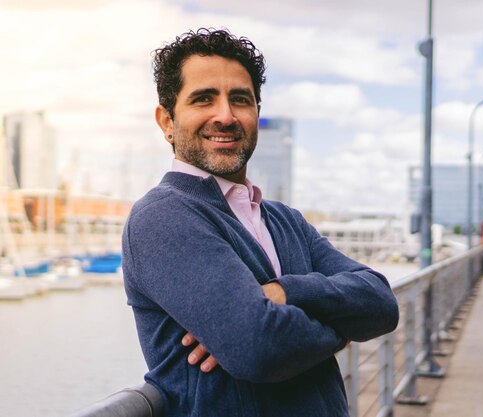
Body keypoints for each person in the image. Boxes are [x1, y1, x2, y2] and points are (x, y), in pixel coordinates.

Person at [122, 27, 399, 417]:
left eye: (240, 100)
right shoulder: (163, 217)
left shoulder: (286, 219)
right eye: (204, 99)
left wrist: (286, 294)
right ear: (167, 120)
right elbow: (258, 347)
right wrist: (344, 328)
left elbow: (381, 303)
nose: (225, 116)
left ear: (256, 113)